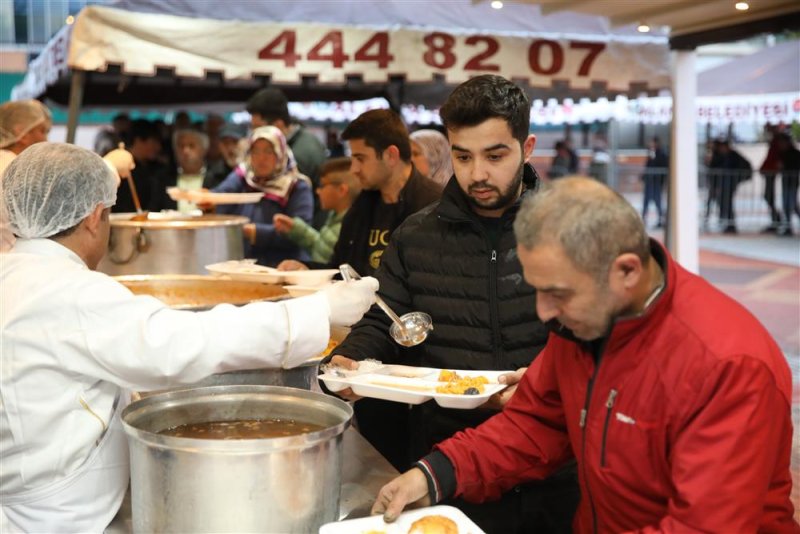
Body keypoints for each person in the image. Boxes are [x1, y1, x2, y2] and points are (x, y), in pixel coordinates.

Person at [372, 176, 798, 533]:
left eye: (559, 293)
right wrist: (435, 474)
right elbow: (536, 423)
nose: (543, 312)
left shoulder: (729, 367)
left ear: (627, 271)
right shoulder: (583, 324)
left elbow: (701, 527)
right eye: (537, 289)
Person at [0, 142, 379, 532]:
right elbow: (183, 343)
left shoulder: (11, 274)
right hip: (60, 517)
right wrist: (320, 310)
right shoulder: (72, 293)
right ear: (95, 218)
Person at [328, 75, 579, 533]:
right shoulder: (416, 237)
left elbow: (597, 343)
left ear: (528, 148)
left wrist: (548, 383)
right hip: (448, 464)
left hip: (556, 464)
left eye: (495, 155)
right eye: (463, 156)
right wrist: (353, 357)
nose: (477, 173)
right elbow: (387, 319)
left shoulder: (567, 232)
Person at [278, 108, 442, 276]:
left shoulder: (434, 206)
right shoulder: (362, 203)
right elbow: (341, 269)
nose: (354, 169)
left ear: (391, 156)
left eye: (360, 158)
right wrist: (306, 269)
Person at [0, 100, 133, 251]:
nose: (46, 140)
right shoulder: (14, 170)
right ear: (20, 132)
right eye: (42, 131)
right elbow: (76, 190)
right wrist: (110, 166)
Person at [212, 125, 314, 267]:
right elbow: (220, 196)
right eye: (256, 151)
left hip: (283, 267)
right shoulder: (243, 177)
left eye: (269, 152)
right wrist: (207, 201)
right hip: (245, 266)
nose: (261, 158)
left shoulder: (296, 186)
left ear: (280, 153)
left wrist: (256, 232)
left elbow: (299, 233)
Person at [273, 157, 360, 263]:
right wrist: (296, 229)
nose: (318, 191)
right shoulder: (335, 217)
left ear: (342, 190)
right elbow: (323, 248)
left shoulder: (350, 228)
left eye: (323, 185)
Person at [708, 139, 752, 234]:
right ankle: (727, 222)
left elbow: (744, 166)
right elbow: (713, 169)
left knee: (727, 203)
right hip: (721, 184)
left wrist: (737, 179)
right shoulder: (717, 156)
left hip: (729, 183)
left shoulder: (733, 156)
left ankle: (730, 224)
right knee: (722, 203)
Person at [172, 128, 210, 212]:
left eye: (191, 146)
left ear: (204, 150)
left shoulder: (216, 178)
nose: (185, 151)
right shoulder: (163, 178)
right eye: (181, 146)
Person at [640, 136, 669, 228]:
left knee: (658, 202)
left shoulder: (661, 154)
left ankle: (660, 219)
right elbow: (648, 166)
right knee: (646, 201)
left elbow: (661, 166)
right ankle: (644, 219)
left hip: (656, 182)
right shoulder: (651, 154)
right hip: (649, 181)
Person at [759, 125, 784, 233]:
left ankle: (777, 220)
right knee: (768, 196)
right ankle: (776, 220)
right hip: (769, 172)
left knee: (769, 196)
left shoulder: (777, 141)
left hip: (771, 172)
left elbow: (775, 158)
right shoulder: (775, 141)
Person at [205, 123, 245, 189]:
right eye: (225, 143)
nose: (230, 148)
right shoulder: (212, 174)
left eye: (235, 142)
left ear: (246, 142)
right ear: (219, 146)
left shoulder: (256, 173)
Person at [776, 132, 800, 237]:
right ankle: (788, 225)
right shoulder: (782, 153)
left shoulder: (794, 153)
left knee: (791, 204)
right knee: (788, 204)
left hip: (792, 182)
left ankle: (788, 225)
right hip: (786, 182)